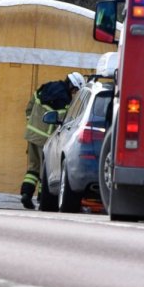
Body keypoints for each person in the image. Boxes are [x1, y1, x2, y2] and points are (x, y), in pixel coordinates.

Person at [21, 72, 84, 209]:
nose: (74, 93)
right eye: (75, 90)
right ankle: (43, 201)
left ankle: (26, 194)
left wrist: (32, 125)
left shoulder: (45, 87)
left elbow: (29, 107)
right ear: (72, 86)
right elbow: (61, 122)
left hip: (31, 135)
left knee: (33, 168)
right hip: (46, 140)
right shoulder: (64, 100)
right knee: (46, 172)